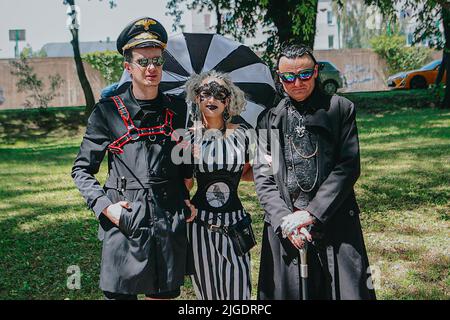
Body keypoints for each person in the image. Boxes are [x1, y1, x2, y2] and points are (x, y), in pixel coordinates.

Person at [71, 17, 196, 300]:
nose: (152, 68)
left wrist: (188, 152)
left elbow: (182, 168)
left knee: (163, 296)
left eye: (157, 60)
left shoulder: (178, 109)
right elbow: (81, 170)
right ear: (128, 66)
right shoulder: (106, 112)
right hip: (125, 219)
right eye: (143, 61)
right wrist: (106, 208)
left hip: (167, 220)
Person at [253, 44, 376, 300]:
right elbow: (264, 175)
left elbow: (348, 166)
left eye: (305, 74)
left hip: (335, 222)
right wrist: (285, 221)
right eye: (288, 77)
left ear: (316, 72)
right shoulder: (269, 119)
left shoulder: (339, 109)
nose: (297, 82)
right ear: (279, 77)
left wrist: (311, 213)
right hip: (287, 228)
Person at [182, 70, 255, 300]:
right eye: (205, 93)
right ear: (197, 98)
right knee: (207, 295)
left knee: (239, 292)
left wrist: (268, 165)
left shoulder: (243, 135)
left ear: (228, 99)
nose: (212, 99)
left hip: (235, 225)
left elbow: (246, 173)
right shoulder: (187, 138)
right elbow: (185, 185)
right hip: (200, 226)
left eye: (219, 93)